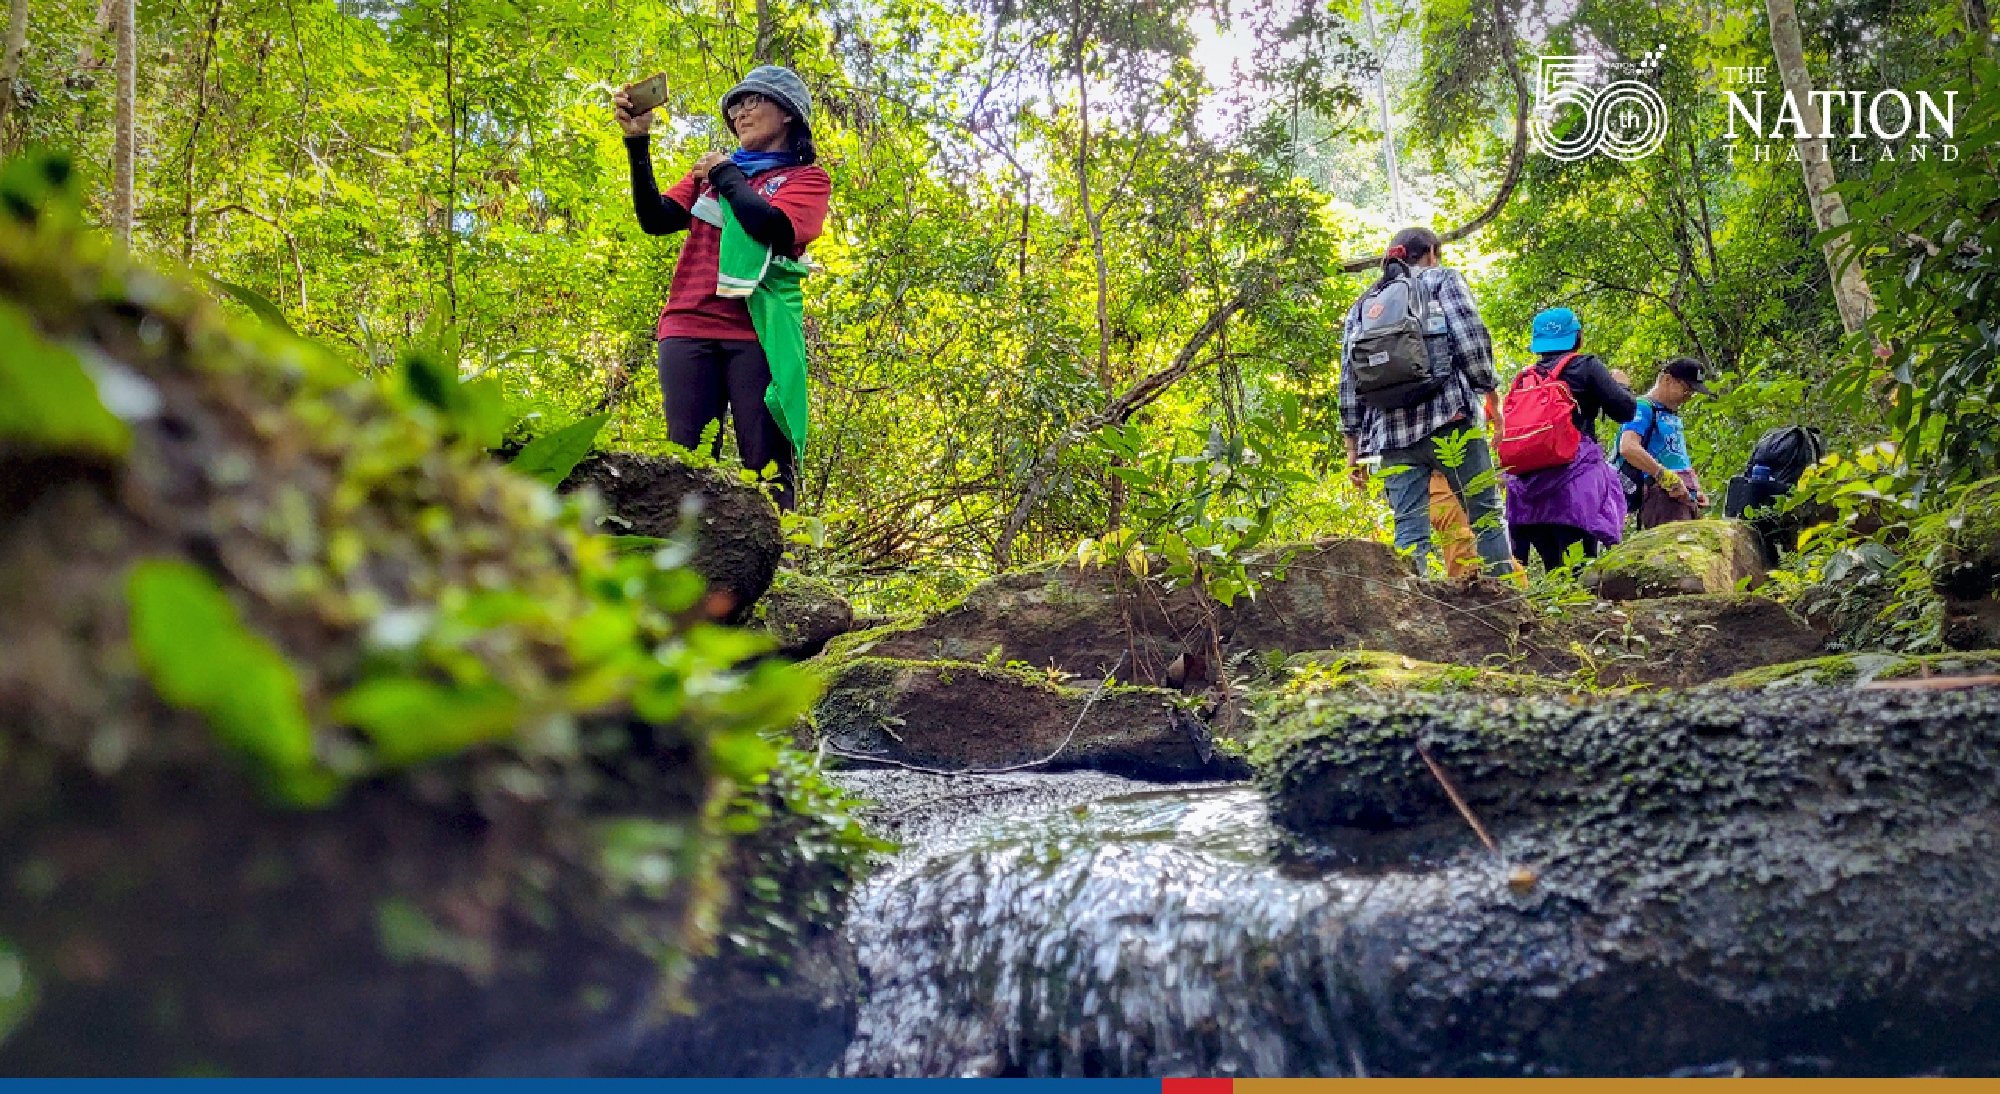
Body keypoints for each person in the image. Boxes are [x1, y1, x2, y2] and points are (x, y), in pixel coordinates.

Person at [614, 65, 831, 511]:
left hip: (757, 332)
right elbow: (656, 219)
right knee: (687, 464)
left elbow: (772, 226)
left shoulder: (805, 180)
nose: (739, 113)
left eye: (752, 101)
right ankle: (690, 571)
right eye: (735, 106)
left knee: (766, 465)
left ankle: (780, 572)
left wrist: (725, 174)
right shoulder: (708, 175)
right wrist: (637, 141)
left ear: (788, 114)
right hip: (687, 325)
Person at [1340, 227, 1513, 577]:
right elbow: (1470, 337)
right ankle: (1505, 604)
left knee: (1409, 531)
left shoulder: (1363, 305)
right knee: (1486, 517)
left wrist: (1352, 445)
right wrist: (1489, 392)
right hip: (1449, 418)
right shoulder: (1441, 280)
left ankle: (1412, 613)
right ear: (1431, 252)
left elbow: (1349, 376)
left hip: (1390, 436)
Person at [1500, 307, 1638, 570]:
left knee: (1553, 569)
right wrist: (1621, 385)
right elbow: (1625, 410)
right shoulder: (1585, 366)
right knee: (1579, 570)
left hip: (1529, 491)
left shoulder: (1526, 378)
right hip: (1574, 484)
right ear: (1578, 338)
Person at [1618, 357, 1714, 529]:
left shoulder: (1670, 414)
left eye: (1692, 393)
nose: (1688, 397)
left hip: (1684, 496)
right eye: (1686, 389)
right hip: (1662, 494)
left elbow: (1677, 454)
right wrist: (1664, 476)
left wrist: (1695, 488)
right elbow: (1628, 447)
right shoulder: (1643, 407)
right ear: (1667, 379)